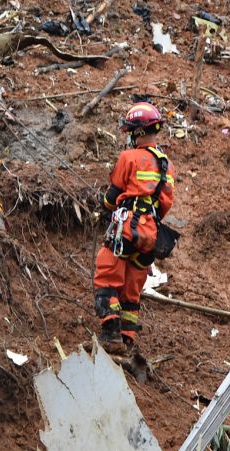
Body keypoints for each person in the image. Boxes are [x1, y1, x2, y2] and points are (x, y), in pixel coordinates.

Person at [93, 102, 176, 354]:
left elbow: (112, 195)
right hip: (151, 233)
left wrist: (105, 205)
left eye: (130, 131)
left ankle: (110, 333)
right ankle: (127, 338)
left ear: (137, 132)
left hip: (127, 226)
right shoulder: (167, 166)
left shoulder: (128, 157)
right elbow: (164, 204)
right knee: (133, 284)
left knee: (107, 272)